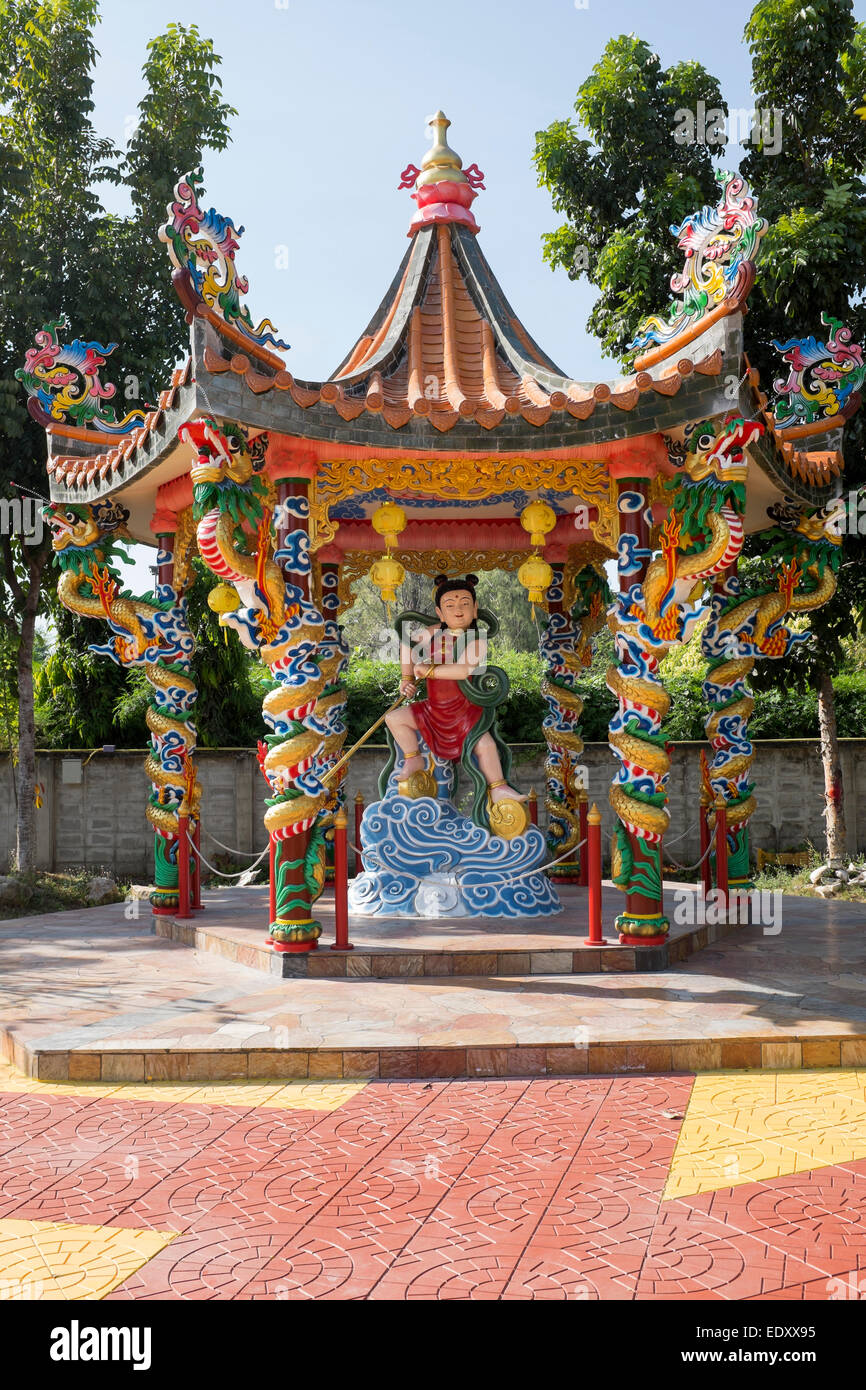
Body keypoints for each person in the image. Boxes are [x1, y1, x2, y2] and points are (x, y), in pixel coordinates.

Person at [385, 574, 525, 805]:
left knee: (486, 744)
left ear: (475, 609)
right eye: (450, 605)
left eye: (465, 604)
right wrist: (406, 677)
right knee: (394, 718)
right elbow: (406, 643)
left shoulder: (476, 639)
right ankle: (413, 758)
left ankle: (499, 787)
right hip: (434, 709)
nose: (458, 610)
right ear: (440, 612)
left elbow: (463, 670)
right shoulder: (433, 634)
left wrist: (428, 670)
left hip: (465, 711)